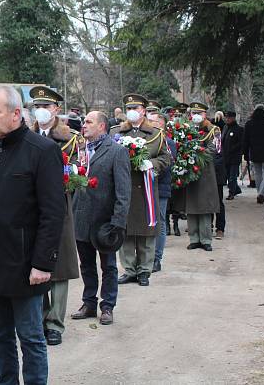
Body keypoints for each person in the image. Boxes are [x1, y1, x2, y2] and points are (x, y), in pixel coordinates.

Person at [0, 86, 64, 385]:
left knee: (30, 336)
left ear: (16, 114)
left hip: (24, 263)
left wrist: (43, 263)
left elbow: (53, 214)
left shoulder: (42, 151)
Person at [28, 86, 81, 346]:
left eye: (46, 107)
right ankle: (39, 318)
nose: (41, 111)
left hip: (59, 208)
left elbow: (78, 175)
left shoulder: (70, 139)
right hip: (31, 210)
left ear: (56, 110)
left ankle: (55, 324)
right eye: (37, 106)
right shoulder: (27, 137)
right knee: (35, 264)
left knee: (58, 268)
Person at [70, 111, 131, 325]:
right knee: (86, 265)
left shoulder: (117, 152)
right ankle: (88, 303)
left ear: (102, 126)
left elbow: (123, 192)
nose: (83, 125)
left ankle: (107, 306)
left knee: (108, 266)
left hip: (105, 221)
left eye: (88, 122)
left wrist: (118, 223)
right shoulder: (78, 151)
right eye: (83, 122)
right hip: (80, 217)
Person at [111, 93, 172, 287]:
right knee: (126, 229)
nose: (131, 112)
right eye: (128, 109)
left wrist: (151, 163)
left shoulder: (155, 134)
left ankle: (144, 270)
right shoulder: (118, 134)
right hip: (124, 188)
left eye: (135, 109)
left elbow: (166, 158)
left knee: (146, 231)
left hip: (145, 188)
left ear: (143, 111)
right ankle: (129, 269)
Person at [180, 101, 221, 251]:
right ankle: (194, 238)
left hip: (205, 173)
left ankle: (205, 239)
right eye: (193, 113)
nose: (196, 116)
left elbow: (214, 149)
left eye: (199, 113)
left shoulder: (213, 130)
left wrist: (195, 155)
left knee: (204, 207)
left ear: (205, 114)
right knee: (191, 207)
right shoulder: (185, 129)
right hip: (189, 173)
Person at [148, 112, 175, 272]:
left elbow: (168, 163)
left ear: (161, 124)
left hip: (160, 187)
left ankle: (157, 258)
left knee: (160, 222)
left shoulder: (167, 142)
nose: (149, 123)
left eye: (153, 121)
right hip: (147, 187)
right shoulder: (148, 140)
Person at [222, 111, 244, 199]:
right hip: (225, 156)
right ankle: (236, 189)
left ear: (233, 118)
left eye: (229, 118)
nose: (227, 119)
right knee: (227, 175)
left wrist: (233, 149)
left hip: (234, 156)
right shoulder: (225, 127)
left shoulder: (239, 129)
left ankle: (231, 193)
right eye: (226, 118)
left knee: (232, 176)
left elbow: (241, 143)